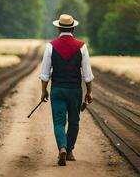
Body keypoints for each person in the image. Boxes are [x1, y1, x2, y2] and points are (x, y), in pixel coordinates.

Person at [39, 14, 94, 166]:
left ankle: (62, 148)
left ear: (58, 28)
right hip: (75, 91)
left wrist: (44, 91)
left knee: (59, 122)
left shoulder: (51, 46)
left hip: (57, 89)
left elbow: (44, 73)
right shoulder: (82, 46)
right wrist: (89, 92)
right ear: (73, 28)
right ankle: (69, 151)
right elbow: (87, 75)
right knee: (74, 122)